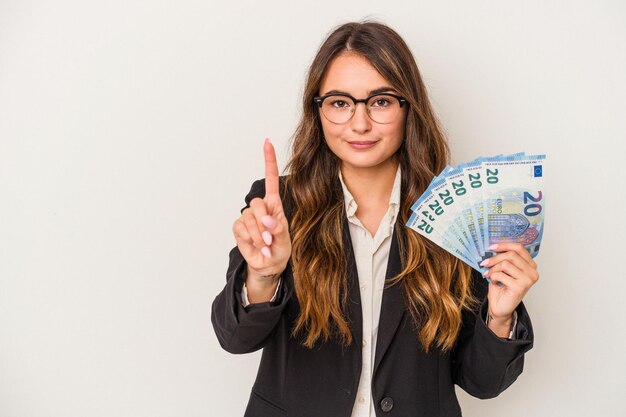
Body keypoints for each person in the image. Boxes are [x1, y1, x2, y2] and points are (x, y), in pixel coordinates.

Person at [211, 21, 538, 417]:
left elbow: (481, 383)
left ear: (407, 107)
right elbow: (235, 338)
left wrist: (498, 317)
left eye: (380, 101)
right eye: (339, 102)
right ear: (318, 111)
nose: (360, 123)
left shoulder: (455, 215)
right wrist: (264, 276)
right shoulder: (281, 206)